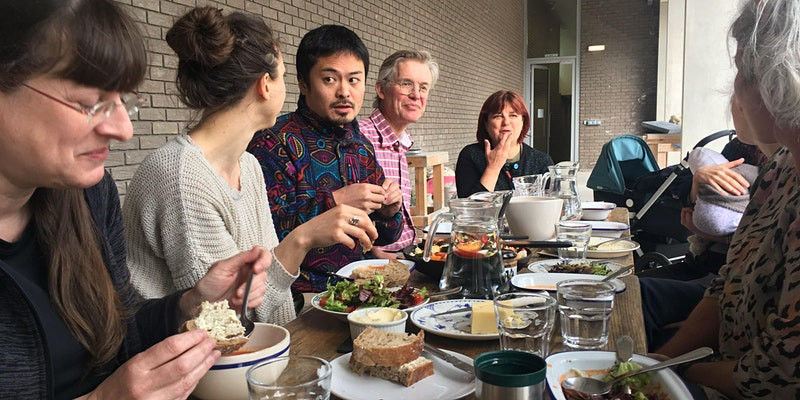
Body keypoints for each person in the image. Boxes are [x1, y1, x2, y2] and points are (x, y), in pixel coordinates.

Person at [0, 0, 271, 398]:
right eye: (91, 102)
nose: (123, 129)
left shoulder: (88, 197)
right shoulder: (176, 174)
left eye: (125, 100)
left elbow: (121, 332)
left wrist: (191, 304)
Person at [124, 8, 378, 325]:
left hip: (262, 349)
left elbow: (271, 303)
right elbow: (225, 320)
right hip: (191, 363)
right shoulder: (181, 177)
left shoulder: (248, 165)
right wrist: (302, 239)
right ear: (265, 85)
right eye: (284, 76)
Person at [649, 1, 800, 398]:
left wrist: (670, 371)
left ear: (777, 79)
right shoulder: (780, 168)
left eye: (741, 72)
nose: (734, 89)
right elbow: (725, 288)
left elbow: (774, 378)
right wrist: (658, 364)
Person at [247, 25, 403, 294]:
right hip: (299, 299)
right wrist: (335, 202)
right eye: (330, 79)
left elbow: (387, 236)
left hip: (360, 290)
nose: (344, 91)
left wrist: (389, 212)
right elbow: (262, 235)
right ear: (303, 83)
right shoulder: (274, 142)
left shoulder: (360, 145)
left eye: (354, 80)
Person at [359, 50, 439, 258]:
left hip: (406, 251)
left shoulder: (402, 141)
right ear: (381, 90)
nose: (416, 94)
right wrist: (377, 254)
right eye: (406, 84)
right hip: (378, 263)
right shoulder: (360, 137)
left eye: (423, 87)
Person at [455, 90, 553, 198]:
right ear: (486, 124)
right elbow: (469, 209)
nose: (506, 122)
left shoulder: (541, 161)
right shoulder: (471, 155)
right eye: (498, 116)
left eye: (513, 115)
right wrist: (493, 168)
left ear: (523, 122)